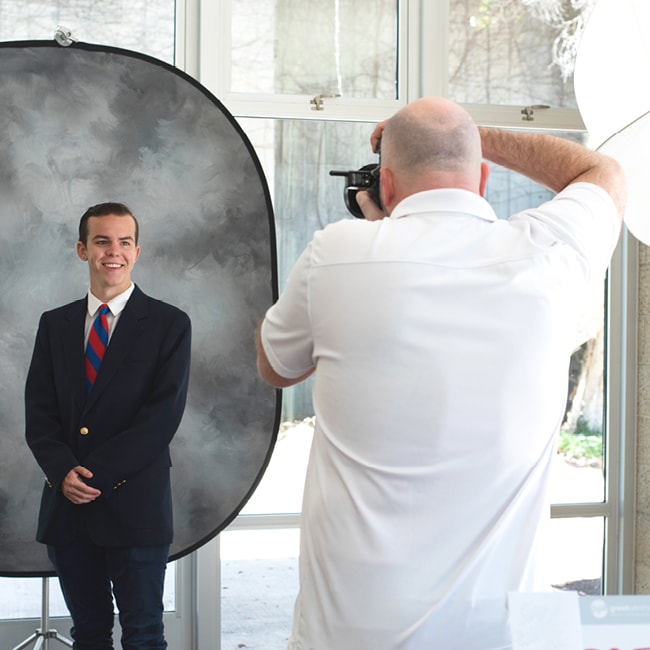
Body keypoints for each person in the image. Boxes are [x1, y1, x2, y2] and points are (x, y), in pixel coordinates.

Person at [255, 97, 626, 649]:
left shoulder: (337, 253)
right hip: (495, 632)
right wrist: (477, 134)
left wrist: (377, 240)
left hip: (351, 632)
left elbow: (275, 367)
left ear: (385, 183)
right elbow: (603, 172)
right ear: (481, 175)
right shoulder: (549, 252)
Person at [25, 202, 192, 650]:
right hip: (68, 509)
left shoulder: (169, 324)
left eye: (122, 242)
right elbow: (38, 414)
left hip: (134, 508)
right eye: (101, 241)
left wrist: (91, 475)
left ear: (137, 252)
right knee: (89, 634)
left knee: (143, 634)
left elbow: (160, 419)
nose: (112, 252)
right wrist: (63, 472)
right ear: (83, 250)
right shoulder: (54, 324)